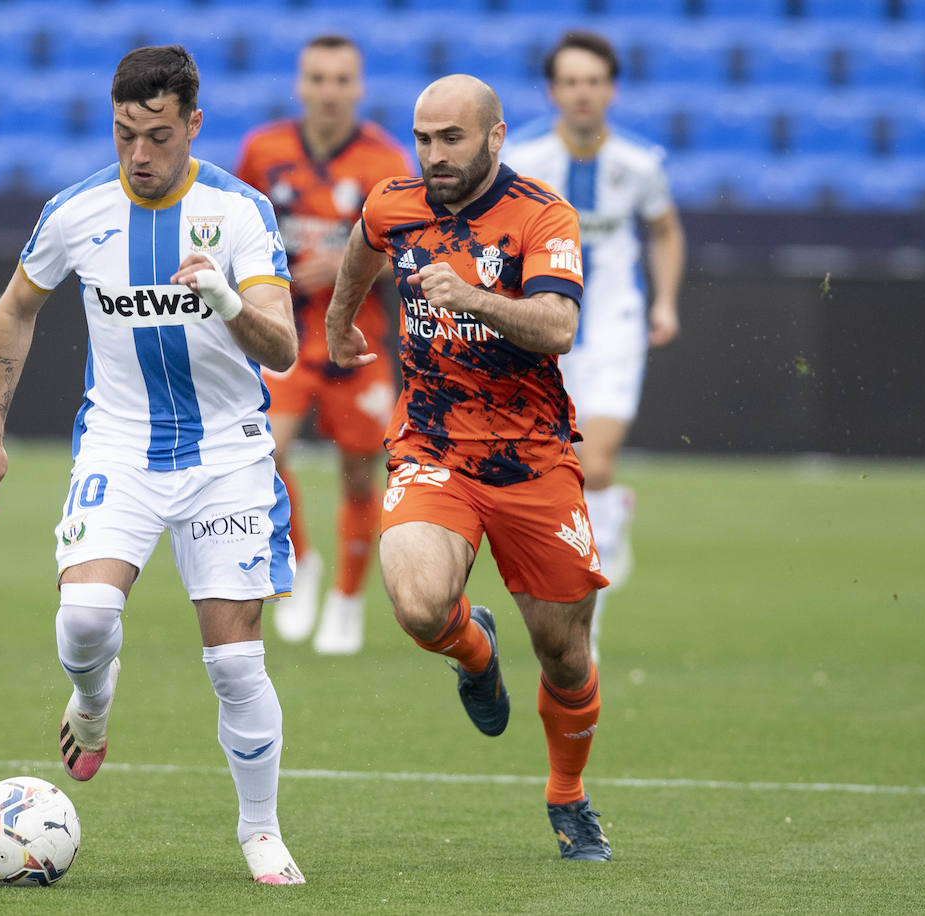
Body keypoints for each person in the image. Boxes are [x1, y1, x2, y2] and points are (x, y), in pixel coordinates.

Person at [0, 46, 306, 886]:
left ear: (194, 122)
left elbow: (285, 346)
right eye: (125, 135)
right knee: (83, 619)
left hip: (227, 454)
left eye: (158, 135)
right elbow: (15, 310)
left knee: (234, 660)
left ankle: (260, 831)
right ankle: (92, 700)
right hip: (121, 444)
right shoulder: (77, 211)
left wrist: (224, 299)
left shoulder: (239, 213)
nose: (140, 155)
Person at [325, 73, 613, 861]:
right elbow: (363, 242)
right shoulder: (396, 201)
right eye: (422, 138)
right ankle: (474, 653)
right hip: (432, 444)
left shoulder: (542, 214)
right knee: (419, 605)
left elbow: (558, 325)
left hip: (532, 456)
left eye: (450, 138)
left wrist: (473, 297)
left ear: (494, 137)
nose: (432, 154)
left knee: (563, 652)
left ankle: (568, 795)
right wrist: (339, 317)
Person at [506, 31, 686, 661]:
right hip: (543, 326)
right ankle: (608, 517)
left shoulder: (639, 164)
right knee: (558, 468)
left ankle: (590, 622)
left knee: (593, 463)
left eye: (594, 81)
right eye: (571, 81)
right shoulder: (524, 159)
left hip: (613, 323)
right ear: (554, 90)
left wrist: (663, 302)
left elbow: (665, 232)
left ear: (610, 88)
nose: (583, 93)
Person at [235, 34, 411, 654]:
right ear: (300, 84)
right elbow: (241, 228)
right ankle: (301, 560)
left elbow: (412, 254)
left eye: (342, 80)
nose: (330, 91)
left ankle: (346, 599)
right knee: (263, 454)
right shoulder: (264, 149)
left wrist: (349, 264)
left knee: (363, 477)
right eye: (318, 78)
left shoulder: (387, 161)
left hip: (358, 342)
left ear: (359, 88)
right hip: (285, 335)